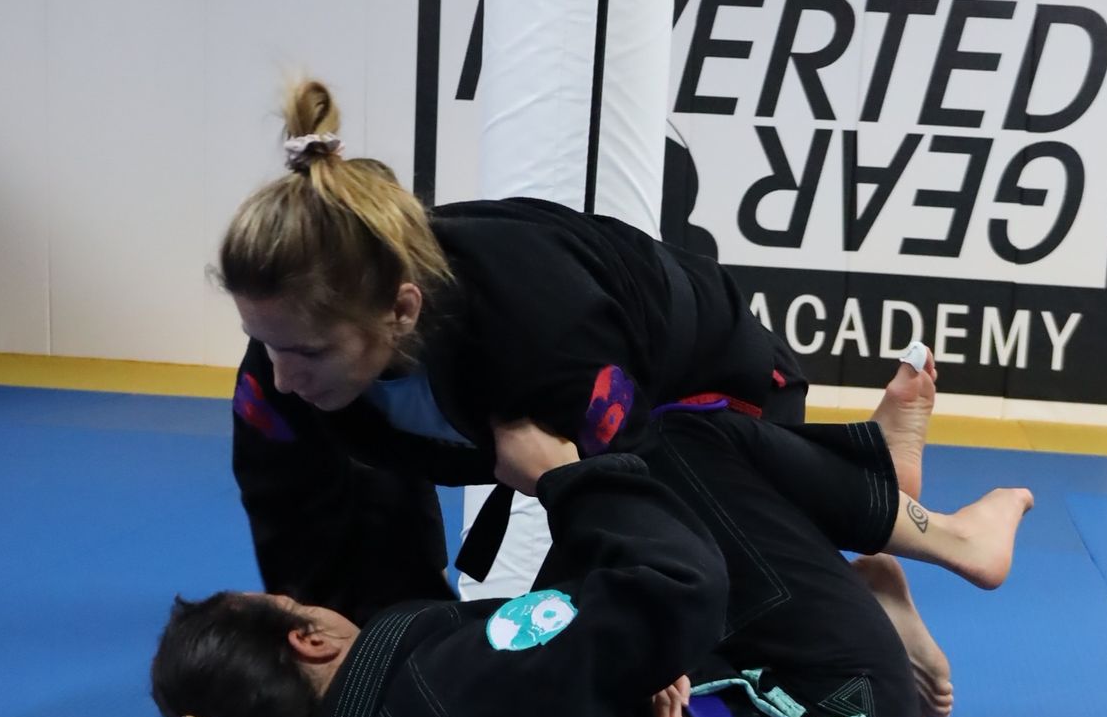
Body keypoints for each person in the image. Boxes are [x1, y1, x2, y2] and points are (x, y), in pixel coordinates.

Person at [151, 405, 1033, 717]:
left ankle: (875, 537)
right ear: (307, 640)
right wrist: (560, 475)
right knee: (672, 442)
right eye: (290, 604)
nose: (309, 601)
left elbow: (539, 686)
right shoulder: (446, 692)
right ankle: (933, 534)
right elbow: (679, 585)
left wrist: (620, 664)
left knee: (626, 569)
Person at [223, 79, 843, 621]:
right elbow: (296, 528)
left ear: (402, 311)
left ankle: (864, 558)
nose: (280, 377)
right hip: (532, 372)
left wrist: (633, 634)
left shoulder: (545, 341)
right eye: (264, 345)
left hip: (718, 378)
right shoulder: (294, 335)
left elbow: (632, 523)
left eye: (305, 354)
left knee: (731, 607)